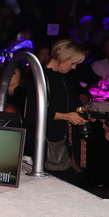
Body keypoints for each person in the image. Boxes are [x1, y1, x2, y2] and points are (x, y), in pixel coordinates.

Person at [25, 39, 90, 173]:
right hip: (44, 143)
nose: (74, 67)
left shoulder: (63, 77)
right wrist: (66, 116)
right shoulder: (40, 77)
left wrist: (82, 110)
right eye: (72, 63)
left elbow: (73, 103)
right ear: (61, 57)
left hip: (63, 141)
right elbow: (32, 114)